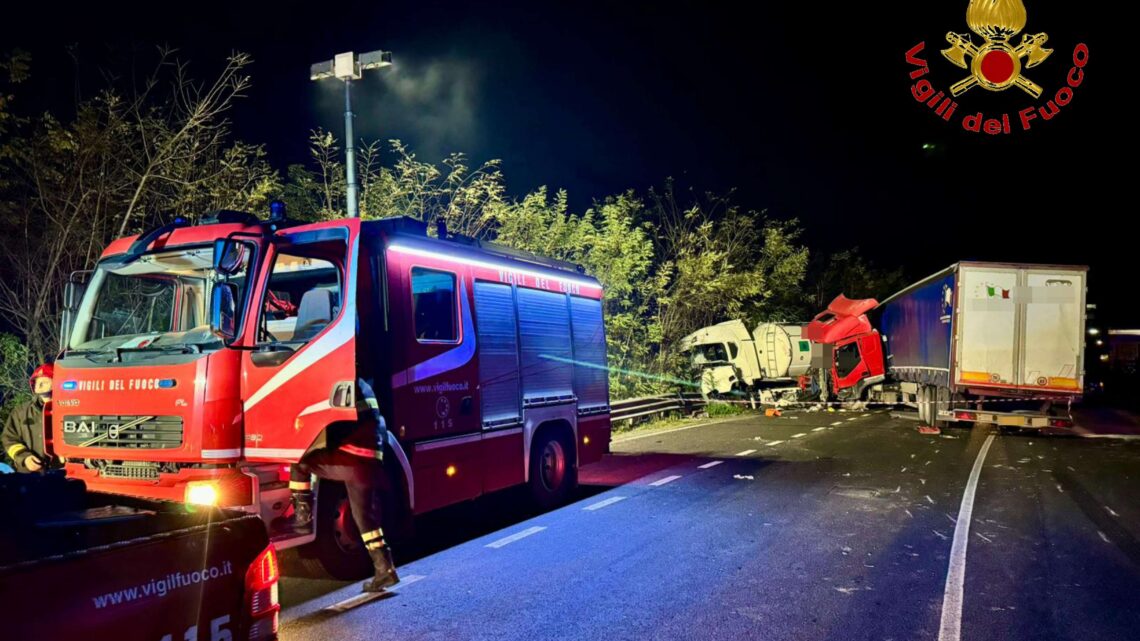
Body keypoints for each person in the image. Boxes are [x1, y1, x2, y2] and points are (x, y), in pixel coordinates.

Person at [286, 377, 399, 593]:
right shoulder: (365, 386)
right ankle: (385, 570)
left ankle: (302, 518)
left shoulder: (345, 387)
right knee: (365, 519)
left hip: (351, 458)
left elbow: (338, 426)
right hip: (370, 460)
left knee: (299, 463)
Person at [2, 364, 54, 474]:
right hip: (30, 476)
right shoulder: (21, 412)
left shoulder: (70, 410)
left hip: (63, 475)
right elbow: (9, 438)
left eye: (44, 382)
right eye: (36, 383)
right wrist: (25, 458)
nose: (38, 386)